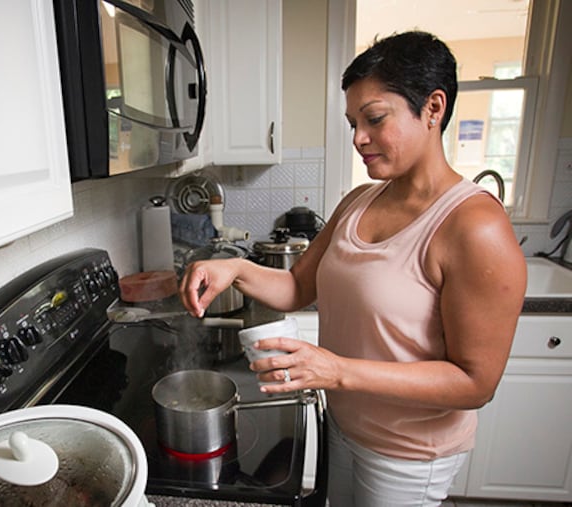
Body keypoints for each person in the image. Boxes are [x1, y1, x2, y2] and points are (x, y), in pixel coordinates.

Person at [179, 31, 526, 506]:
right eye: (352, 123)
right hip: (342, 426)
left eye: (375, 119)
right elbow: (299, 285)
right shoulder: (358, 202)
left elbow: (474, 382)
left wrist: (338, 370)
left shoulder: (474, 227)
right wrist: (234, 268)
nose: (359, 138)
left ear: (433, 108)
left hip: (407, 454)